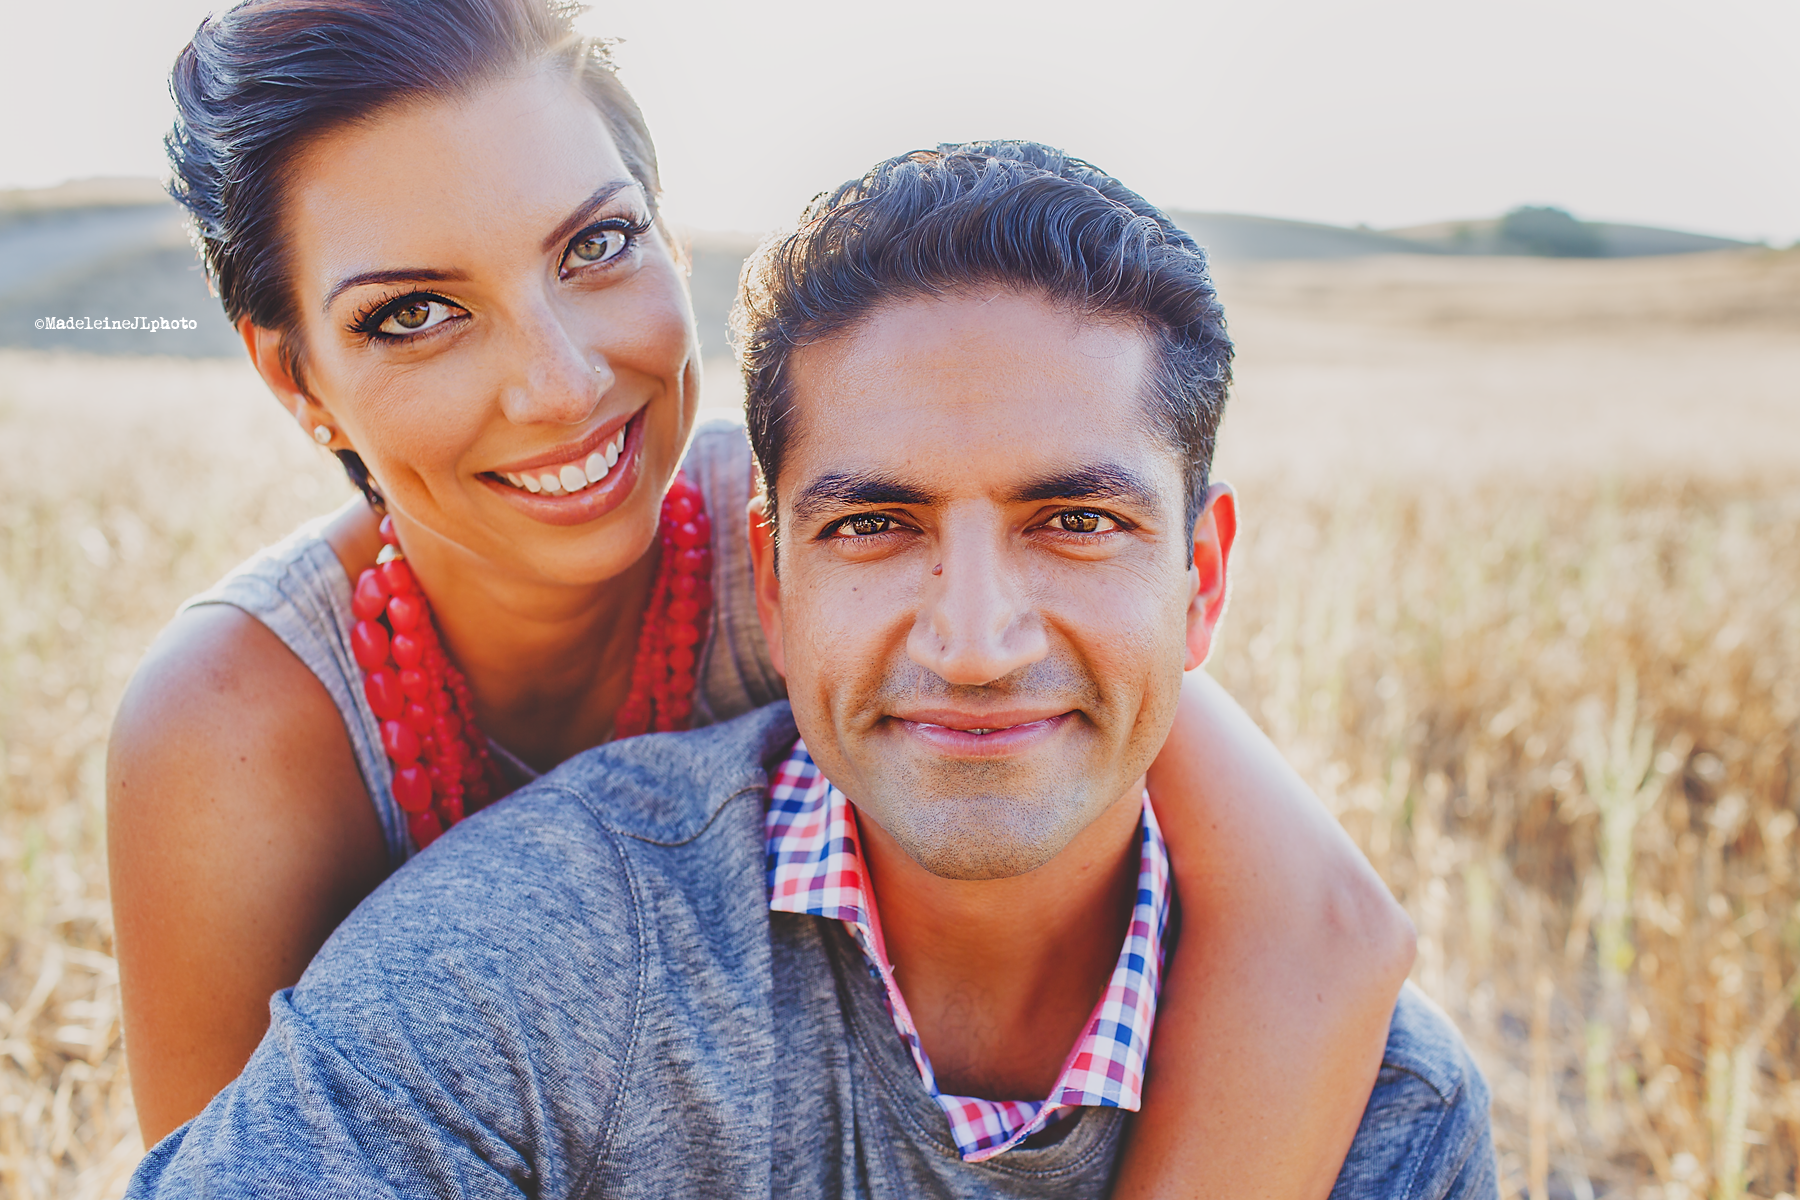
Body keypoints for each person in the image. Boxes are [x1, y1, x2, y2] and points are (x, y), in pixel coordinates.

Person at [106, 1, 1413, 1192]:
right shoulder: (238, 723)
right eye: (414, 314)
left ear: (671, 238)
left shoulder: (856, 544)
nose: (558, 384)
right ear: (293, 377)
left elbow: (1324, 927)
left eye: (596, 245)